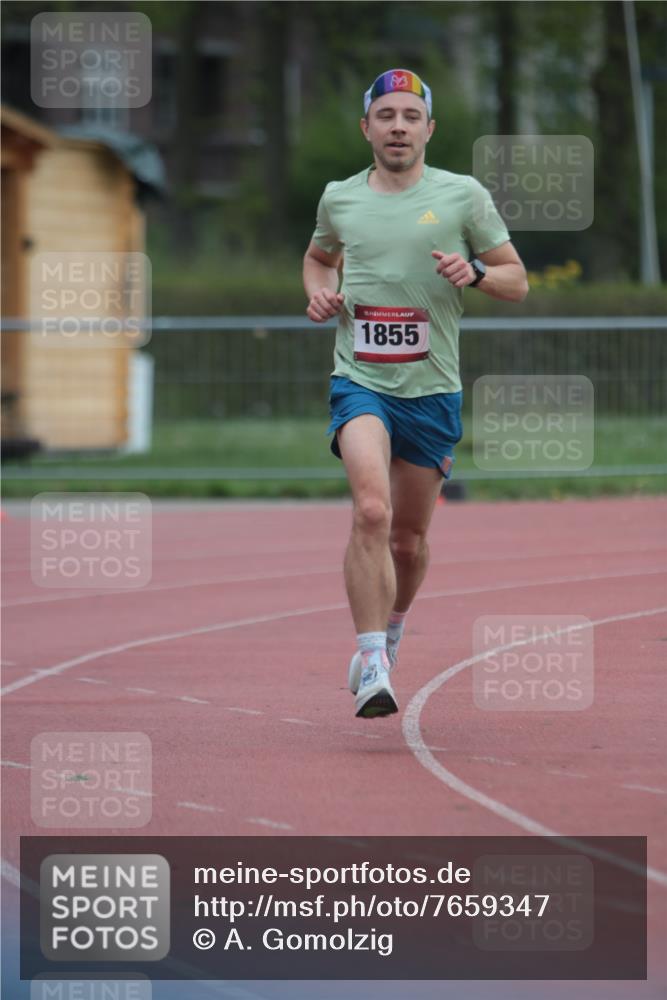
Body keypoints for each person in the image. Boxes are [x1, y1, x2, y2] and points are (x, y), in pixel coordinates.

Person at [303, 68, 528, 720]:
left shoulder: (462, 196)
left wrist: (475, 270)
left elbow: (516, 281)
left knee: (407, 540)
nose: (397, 127)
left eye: (409, 116)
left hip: (431, 391)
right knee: (370, 511)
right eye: (386, 116)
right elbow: (319, 258)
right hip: (360, 381)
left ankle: (393, 625)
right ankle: (372, 660)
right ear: (366, 128)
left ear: (428, 129)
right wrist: (319, 292)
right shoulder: (339, 198)